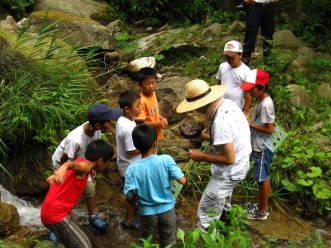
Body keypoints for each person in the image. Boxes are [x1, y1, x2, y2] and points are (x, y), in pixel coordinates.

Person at [176, 79, 251, 232]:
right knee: (224, 203)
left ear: (203, 104)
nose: (195, 111)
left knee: (206, 214)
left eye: (196, 107)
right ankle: (225, 231)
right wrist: (204, 137)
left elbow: (229, 159)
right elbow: (230, 138)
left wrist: (201, 156)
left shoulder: (219, 122)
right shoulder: (228, 104)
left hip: (229, 171)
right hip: (242, 164)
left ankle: (210, 239)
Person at [51, 103, 122, 238]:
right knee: (65, 195)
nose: (111, 123)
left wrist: (91, 167)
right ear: (97, 125)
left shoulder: (96, 129)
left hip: (83, 163)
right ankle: (56, 224)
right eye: (109, 121)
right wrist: (67, 174)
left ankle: (92, 215)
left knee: (89, 190)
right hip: (65, 164)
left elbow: (95, 149)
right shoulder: (75, 140)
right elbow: (64, 159)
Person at [41, 139, 114, 248]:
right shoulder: (84, 167)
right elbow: (72, 165)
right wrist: (64, 167)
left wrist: (62, 194)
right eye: (108, 162)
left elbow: (49, 179)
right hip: (56, 215)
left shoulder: (83, 163)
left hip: (49, 211)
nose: (107, 165)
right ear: (100, 161)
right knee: (84, 246)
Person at [124, 124, 186, 247]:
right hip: (168, 210)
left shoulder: (132, 168)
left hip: (147, 213)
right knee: (169, 242)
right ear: (154, 144)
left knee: (145, 242)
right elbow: (182, 181)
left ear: (136, 146)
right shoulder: (166, 159)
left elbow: (131, 197)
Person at [240, 68, 275, 220]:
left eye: (251, 89)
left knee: (262, 178)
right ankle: (262, 205)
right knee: (263, 176)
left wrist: (249, 125)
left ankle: (261, 211)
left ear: (261, 88)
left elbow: (269, 129)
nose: (249, 93)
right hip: (261, 144)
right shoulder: (262, 100)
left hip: (262, 147)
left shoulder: (266, 105)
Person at [116, 90, 142, 229]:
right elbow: (130, 150)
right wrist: (147, 146)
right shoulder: (127, 128)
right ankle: (128, 221)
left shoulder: (124, 119)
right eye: (138, 106)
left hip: (127, 165)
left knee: (134, 194)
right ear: (127, 109)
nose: (141, 108)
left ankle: (136, 205)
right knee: (131, 197)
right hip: (130, 168)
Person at [216, 40, 252, 116]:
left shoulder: (246, 71)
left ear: (240, 55)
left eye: (232, 57)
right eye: (227, 56)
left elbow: (248, 93)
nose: (229, 59)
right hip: (221, 105)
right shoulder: (222, 67)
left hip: (236, 108)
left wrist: (246, 111)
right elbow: (218, 84)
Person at [135, 67, 168, 142]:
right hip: (147, 137)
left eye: (153, 83)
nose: (151, 86)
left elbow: (154, 112)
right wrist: (156, 124)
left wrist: (162, 119)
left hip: (155, 134)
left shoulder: (153, 94)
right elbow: (139, 123)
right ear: (140, 84)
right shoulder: (141, 101)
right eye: (147, 84)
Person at [242, 0, 278, 67]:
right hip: (254, 6)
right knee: (250, 35)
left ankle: (268, 65)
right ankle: (244, 65)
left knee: (269, 36)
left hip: (269, 7)